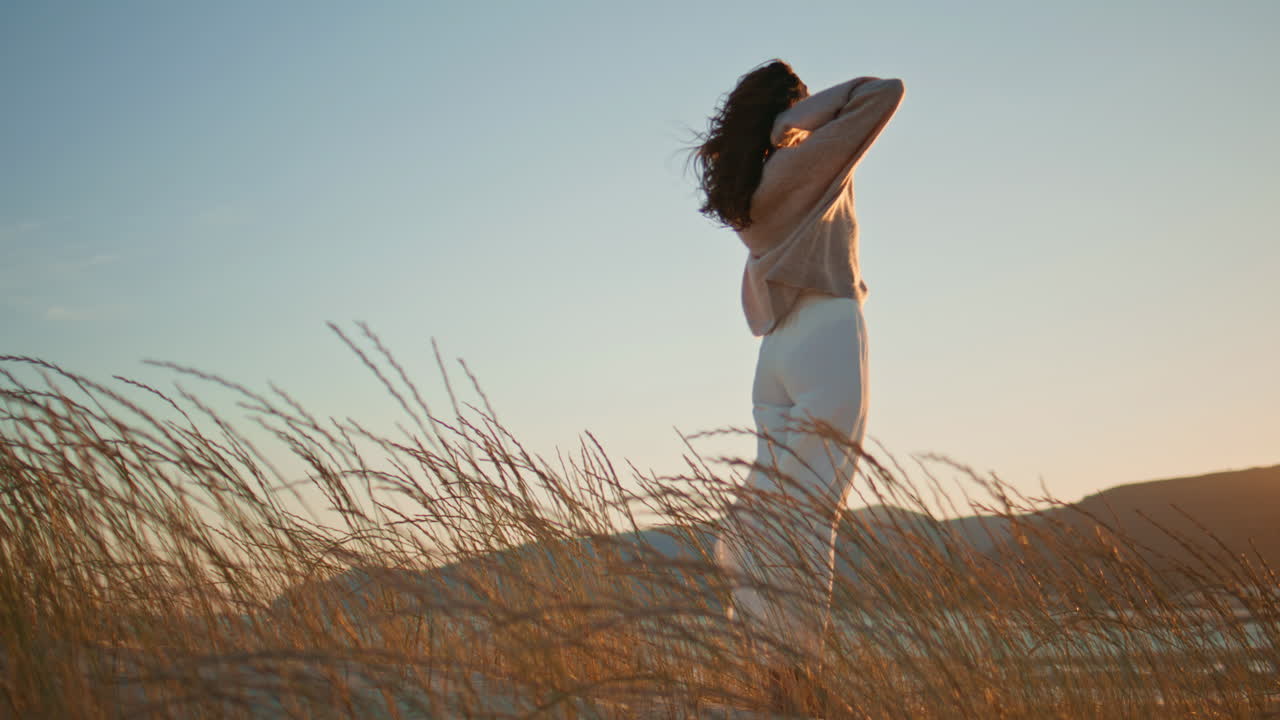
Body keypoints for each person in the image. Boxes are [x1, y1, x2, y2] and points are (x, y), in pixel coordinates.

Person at [692, 59, 904, 713]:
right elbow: (882, 94)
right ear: (782, 113)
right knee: (811, 521)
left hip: (774, 355)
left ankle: (768, 674)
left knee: (771, 519)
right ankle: (799, 687)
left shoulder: (744, 186)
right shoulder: (803, 162)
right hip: (828, 334)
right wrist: (800, 118)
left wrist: (780, 124)